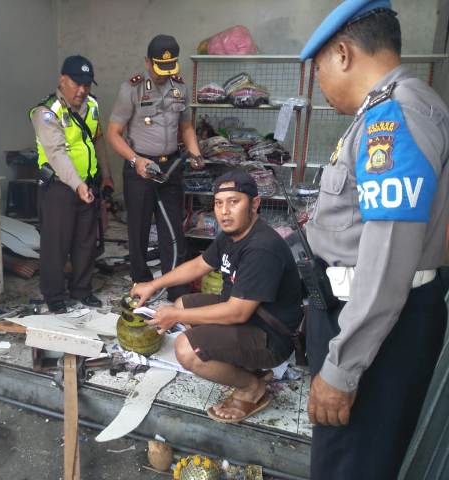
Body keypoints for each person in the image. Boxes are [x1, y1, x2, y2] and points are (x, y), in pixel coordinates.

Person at [300, 1, 449, 478]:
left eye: (319, 68)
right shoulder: (392, 110)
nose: (320, 85)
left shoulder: (394, 119)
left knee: (349, 465)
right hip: (370, 320)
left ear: (343, 54)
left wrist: (342, 369)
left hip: (377, 332)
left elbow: (387, 261)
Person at [131, 170, 302, 423]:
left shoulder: (261, 248)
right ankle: (241, 364)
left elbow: (237, 312)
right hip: (248, 315)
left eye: (234, 202)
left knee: (186, 350)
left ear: (254, 204)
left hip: (270, 337)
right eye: (219, 204)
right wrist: (153, 284)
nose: (224, 212)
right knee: (182, 302)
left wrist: (176, 316)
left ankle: (251, 386)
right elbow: (200, 264)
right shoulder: (233, 234)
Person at [107, 34, 204, 301]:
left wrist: (194, 152)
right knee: (137, 229)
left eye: (170, 67)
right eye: (159, 68)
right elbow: (113, 133)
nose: (164, 74)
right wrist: (135, 160)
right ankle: (141, 282)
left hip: (170, 167)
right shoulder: (131, 89)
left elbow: (185, 127)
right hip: (139, 167)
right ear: (148, 62)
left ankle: (176, 289)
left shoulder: (180, 87)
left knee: (172, 229)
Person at [29, 55, 114, 313]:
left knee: (85, 242)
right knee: (56, 245)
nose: (82, 90)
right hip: (58, 188)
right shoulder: (45, 112)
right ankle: (54, 295)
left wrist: (107, 175)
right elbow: (56, 153)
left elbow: (97, 140)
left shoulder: (93, 106)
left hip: (87, 184)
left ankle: (81, 289)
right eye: (77, 83)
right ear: (62, 80)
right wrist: (77, 185)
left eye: (87, 84)